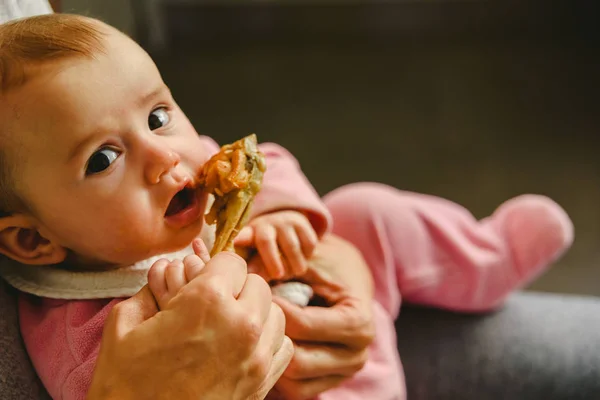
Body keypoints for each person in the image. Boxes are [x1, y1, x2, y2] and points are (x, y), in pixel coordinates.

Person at [0, 12, 574, 400]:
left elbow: (262, 160)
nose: (164, 157)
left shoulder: (184, 165)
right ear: (34, 241)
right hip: (315, 386)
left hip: (333, 313)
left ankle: (486, 258)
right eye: (103, 159)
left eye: (156, 116)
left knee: (365, 209)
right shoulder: (84, 345)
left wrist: (281, 215)